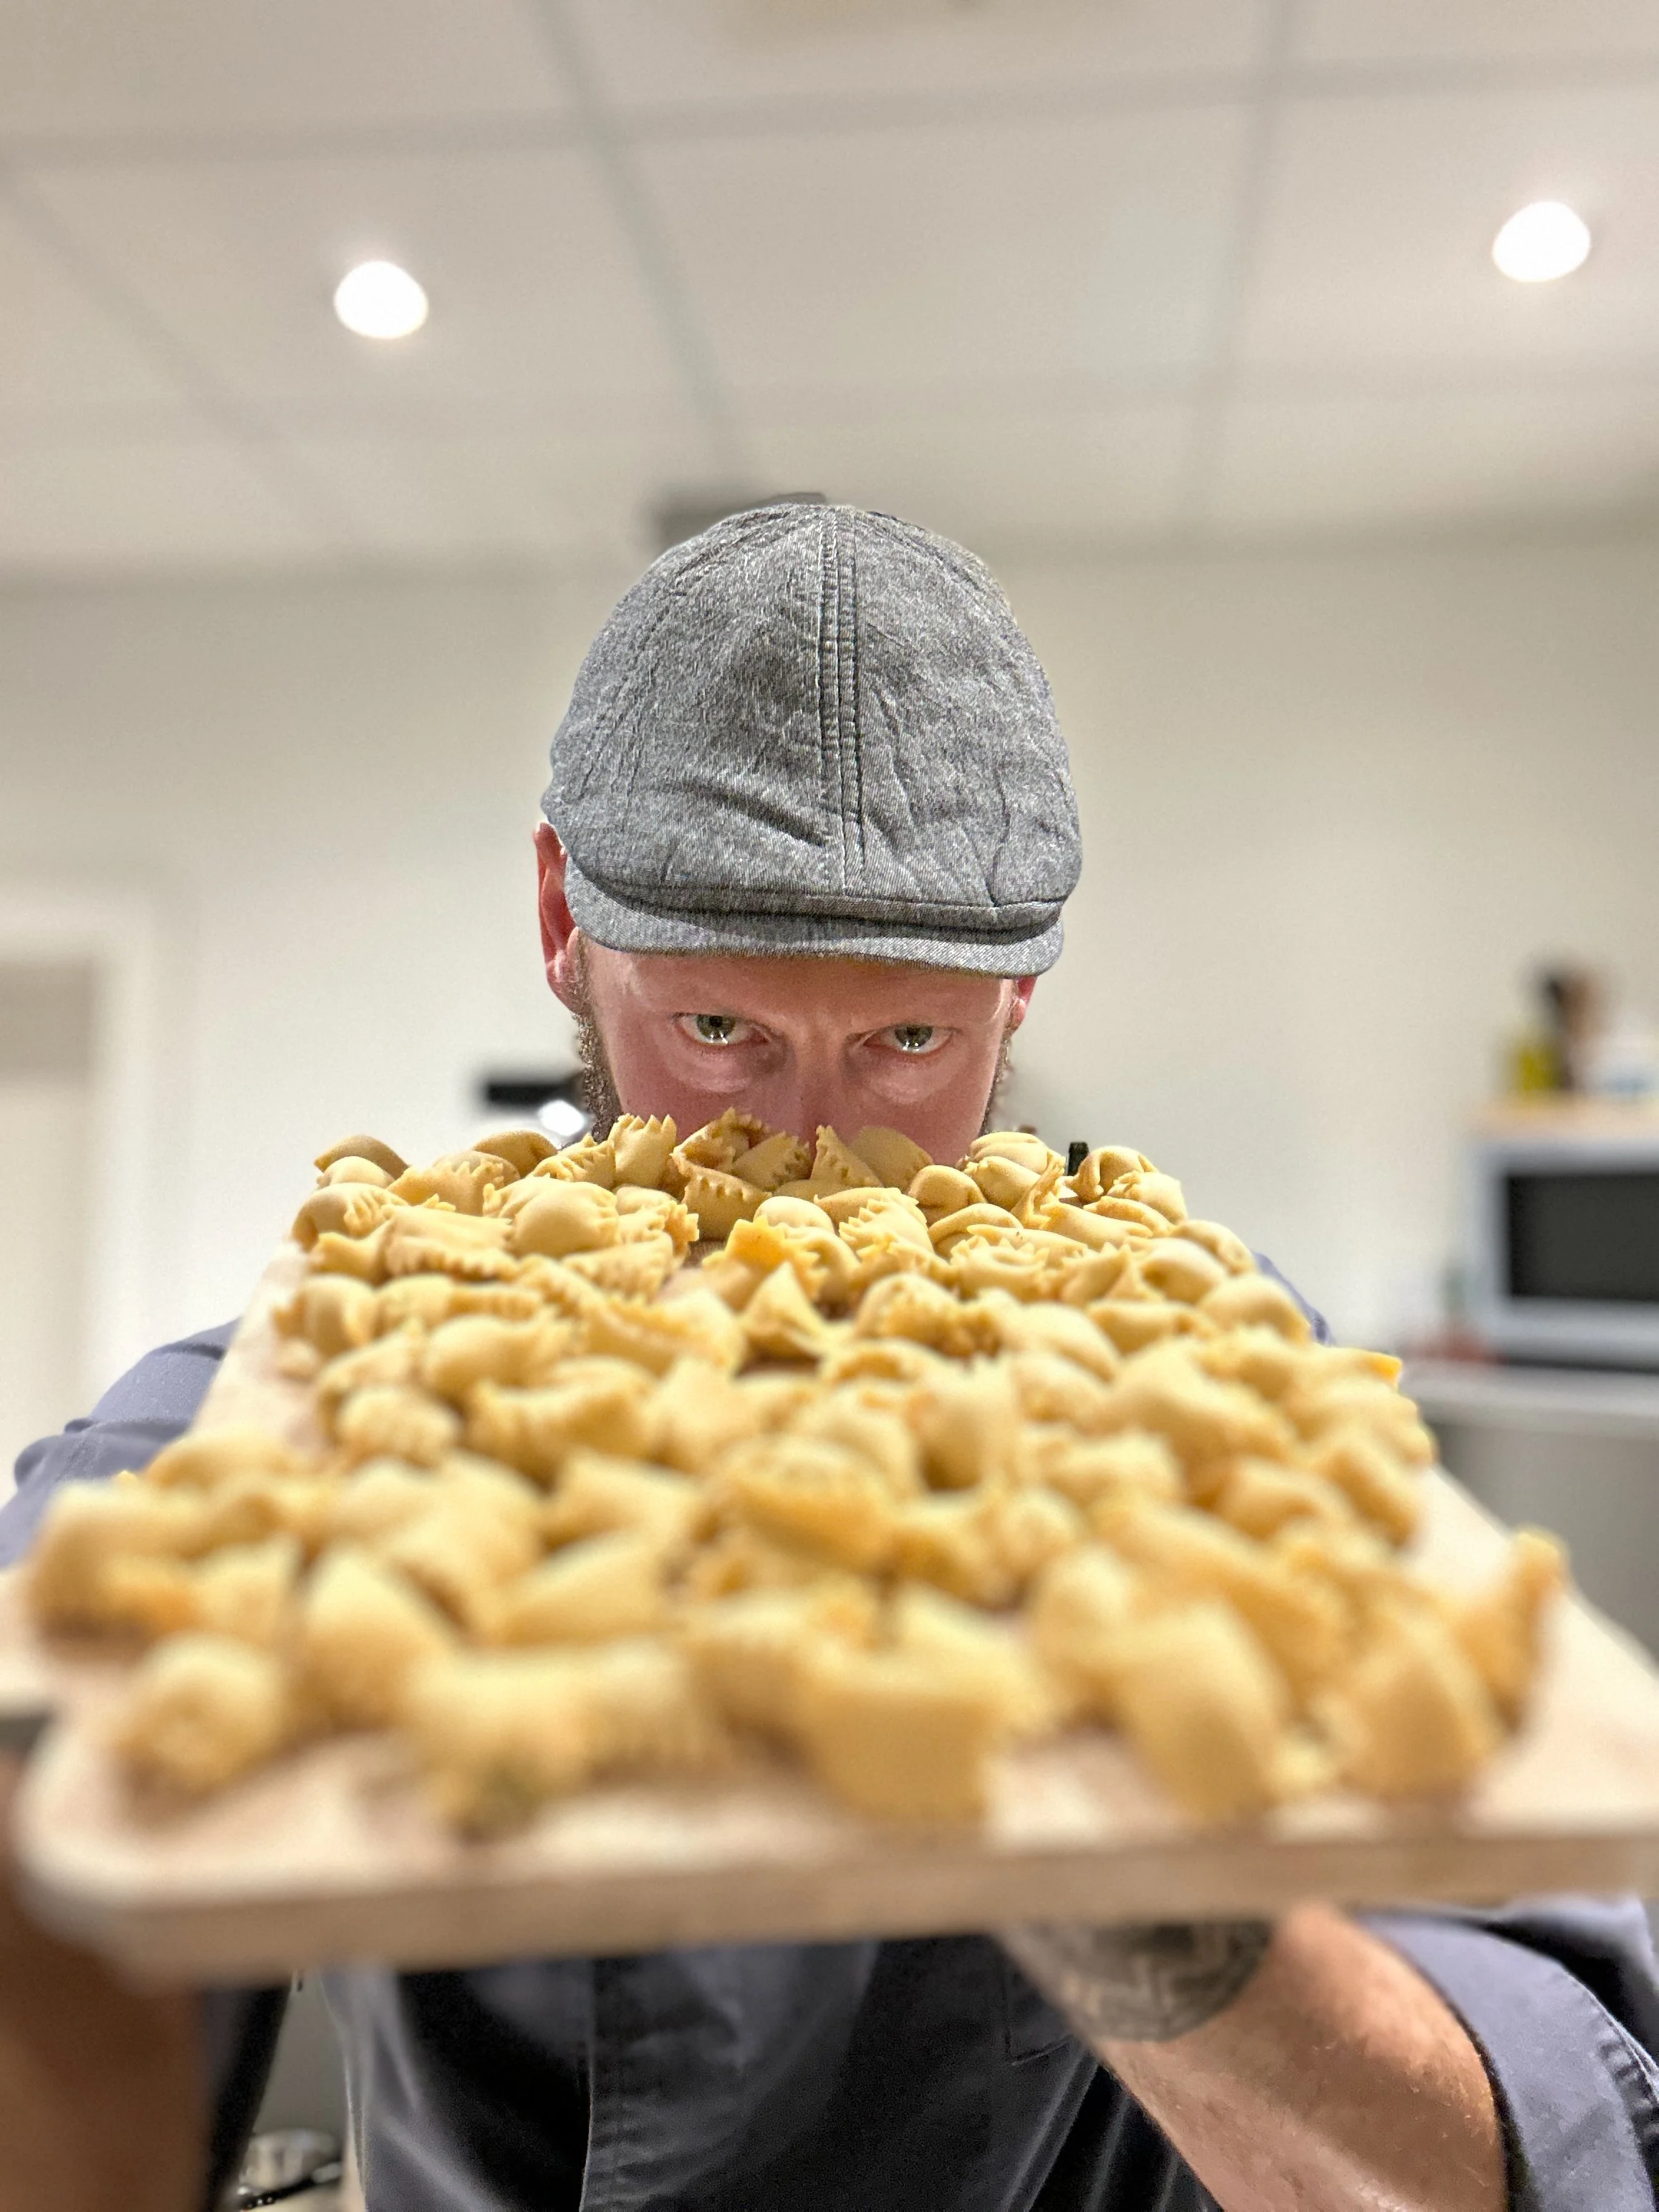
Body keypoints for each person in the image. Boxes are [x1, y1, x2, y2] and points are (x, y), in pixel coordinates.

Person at [3, 503, 1658, 2212]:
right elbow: (102, 1576)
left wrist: (1147, 1895)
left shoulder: (1229, 1383)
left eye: (905, 1039)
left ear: (1019, 997)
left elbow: (1556, 2138)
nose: (804, 1140)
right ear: (568, 917)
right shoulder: (364, 1373)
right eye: (718, 1030)